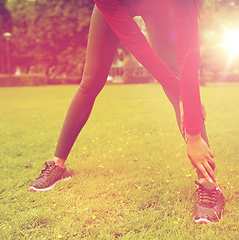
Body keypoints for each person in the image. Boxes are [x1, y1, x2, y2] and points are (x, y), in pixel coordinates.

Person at [29, 0, 225, 223]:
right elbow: (135, 41)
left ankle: (210, 186)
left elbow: (188, 56)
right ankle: (57, 164)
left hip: (160, 8)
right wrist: (178, 90)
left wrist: (194, 133)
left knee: (179, 82)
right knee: (91, 81)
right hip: (118, 4)